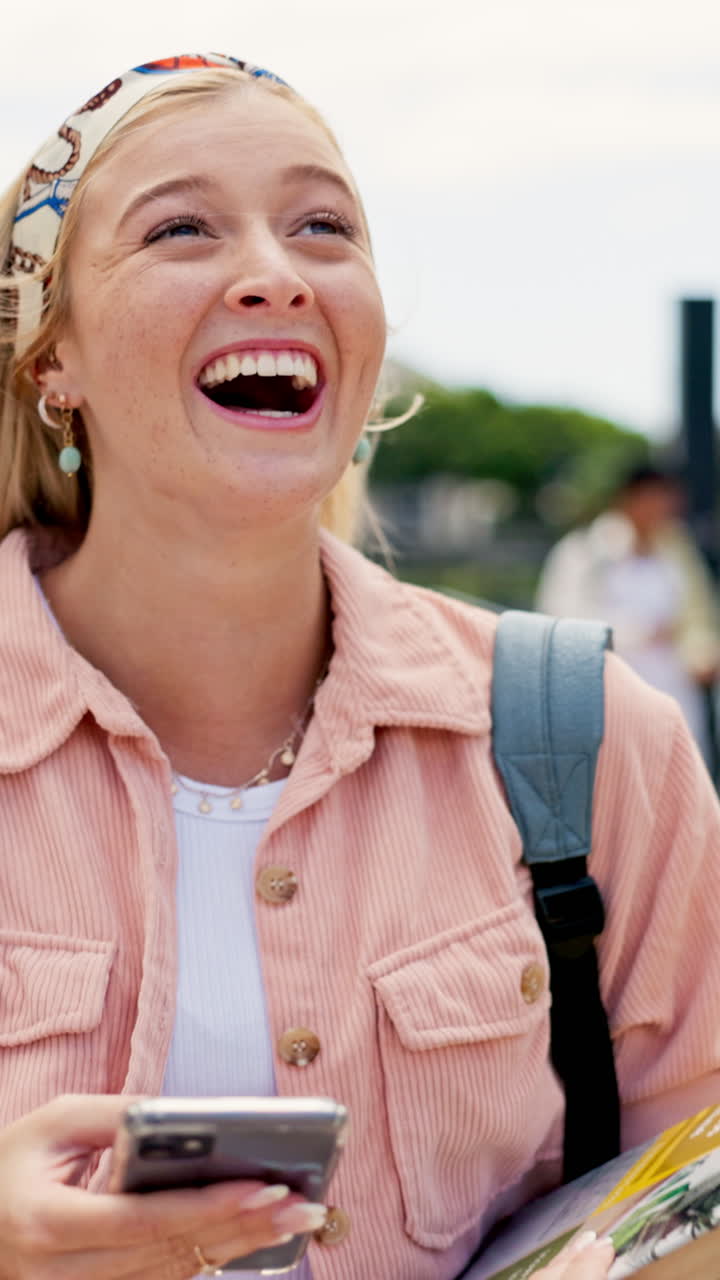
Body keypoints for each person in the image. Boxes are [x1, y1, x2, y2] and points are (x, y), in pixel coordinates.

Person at [1, 53, 720, 1280]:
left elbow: (693, 1192)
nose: (276, 274)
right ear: (48, 357)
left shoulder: (594, 740)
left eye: (323, 225)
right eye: (181, 227)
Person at [536, 464, 720, 763]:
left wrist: (702, 652)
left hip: (674, 691)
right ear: (629, 498)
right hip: (609, 694)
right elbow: (559, 620)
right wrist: (641, 632)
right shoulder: (584, 551)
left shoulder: (677, 552)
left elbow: (697, 616)